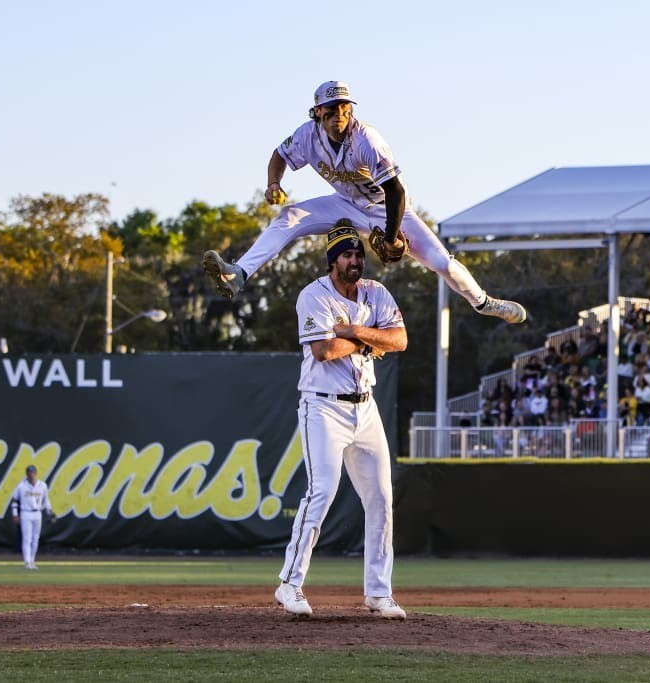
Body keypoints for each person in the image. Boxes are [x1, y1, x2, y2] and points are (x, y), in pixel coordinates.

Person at [202, 80, 527, 325]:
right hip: (343, 202)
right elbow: (279, 155)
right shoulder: (306, 135)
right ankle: (240, 273)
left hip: (388, 210)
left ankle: (484, 302)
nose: (339, 116)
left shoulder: (367, 140)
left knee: (441, 263)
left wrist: (390, 235)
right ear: (317, 113)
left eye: (345, 108)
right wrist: (274, 182)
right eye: (331, 110)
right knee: (290, 215)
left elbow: (396, 192)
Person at [275, 221, 408, 620]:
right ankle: (289, 584)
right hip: (323, 406)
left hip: (365, 407)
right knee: (322, 492)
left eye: (358, 255)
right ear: (333, 261)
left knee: (382, 498)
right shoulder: (313, 296)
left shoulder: (375, 292)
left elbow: (400, 340)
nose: (355, 262)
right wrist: (369, 338)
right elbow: (324, 351)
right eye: (347, 255)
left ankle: (379, 593)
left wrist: (353, 330)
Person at [11, 465, 53, 570]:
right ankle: (27, 562)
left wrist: (49, 511)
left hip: (37, 513)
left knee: (35, 539)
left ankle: (32, 561)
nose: (31, 474)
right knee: (27, 539)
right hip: (26, 513)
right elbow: (15, 500)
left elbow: (46, 500)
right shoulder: (21, 486)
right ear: (27, 474)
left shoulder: (42, 485)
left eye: (33, 472)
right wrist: (15, 514)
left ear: (36, 473)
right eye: (29, 473)